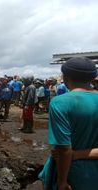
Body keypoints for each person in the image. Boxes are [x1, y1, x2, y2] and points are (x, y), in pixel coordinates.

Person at [39, 57, 98, 190]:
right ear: (92, 78)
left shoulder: (60, 103)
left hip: (73, 172)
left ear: (65, 77)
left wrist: (62, 181)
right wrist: (78, 154)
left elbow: (64, 149)